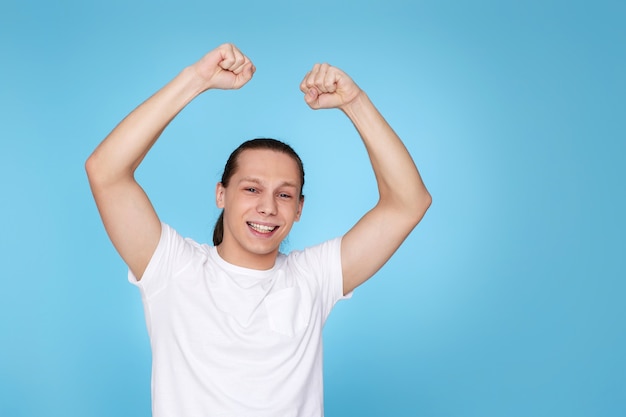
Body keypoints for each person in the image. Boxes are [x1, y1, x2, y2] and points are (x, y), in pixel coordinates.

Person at [86, 43, 431, 417]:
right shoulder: (171, 268)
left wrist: (355, 102)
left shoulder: (313, 278)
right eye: (251, 189)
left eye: (284, 194)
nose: (268, 207)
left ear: (299, 209)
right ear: (221, 194)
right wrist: (195, 80)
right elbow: (106, 171)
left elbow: (408, 203)